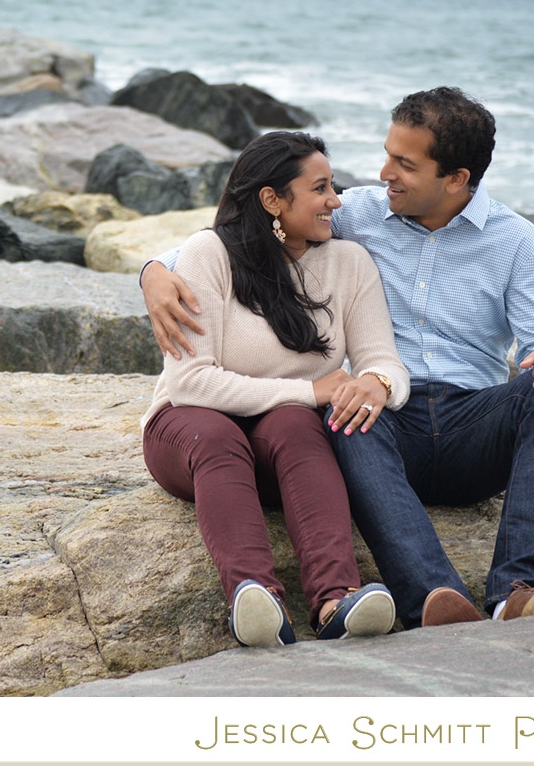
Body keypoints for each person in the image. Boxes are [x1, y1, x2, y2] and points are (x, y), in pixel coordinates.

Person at [141, 87, 534, 629]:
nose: (383, 174)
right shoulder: (358, 212)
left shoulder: (518, 242)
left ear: (455, 178)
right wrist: (152, 272)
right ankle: (431, 599)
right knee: (345, 415)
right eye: (386, 154)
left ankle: (517, 591)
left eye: (404, 164)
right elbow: (230, 240)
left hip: (470, 424)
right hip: (386, 425)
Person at [140, 129, 409, 647]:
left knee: (298, 428)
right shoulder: (209, 254)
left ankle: (335, 601)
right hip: (189, 434)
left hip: (274, 449)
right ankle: (256, 597)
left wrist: (377, 384)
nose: (336, 201)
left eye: (333, 186)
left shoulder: (349, 263)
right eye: (321, 188)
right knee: (224, 435)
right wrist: (310, 392)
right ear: (271, 200)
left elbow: (383, 361)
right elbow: (192, 383)